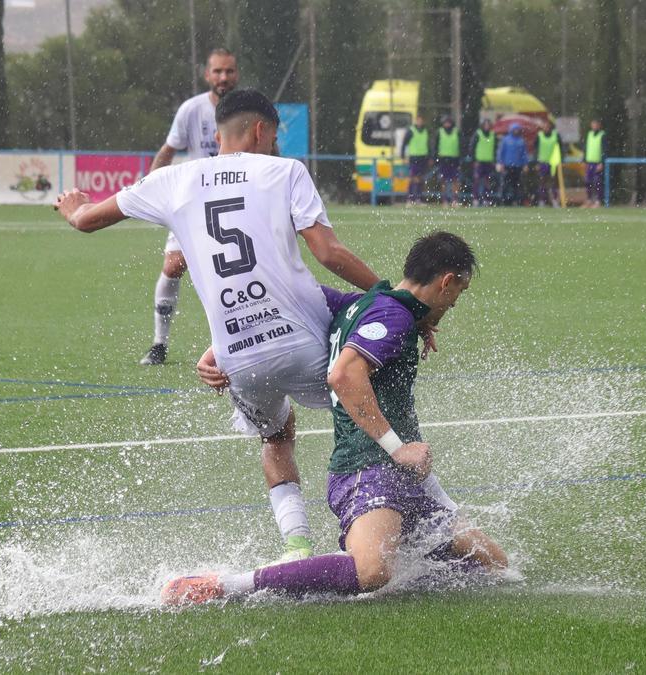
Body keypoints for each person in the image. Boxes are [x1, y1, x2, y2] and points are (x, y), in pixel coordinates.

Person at [54, 89, 381, 562]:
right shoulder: (285, 171)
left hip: (238, 359)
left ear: (216, 133)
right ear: (261, 131)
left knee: (276, 437)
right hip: (306, 342)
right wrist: (390, 294)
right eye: (273, 137)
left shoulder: (173, 180)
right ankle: (402, 518)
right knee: (369, 408)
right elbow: (328, 253)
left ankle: (296, 547)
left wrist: (73, 206)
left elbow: (85, 221)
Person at [160, 232, 508, 606]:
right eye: (460, 291)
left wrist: (222, 348)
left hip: (405, 478)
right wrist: (398, 448)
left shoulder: (361, 304)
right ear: (447, 281)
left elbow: (282, 305)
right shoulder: (392, 316)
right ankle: (225, 585)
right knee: (373, 570)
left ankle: (405, 549)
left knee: (493, 567)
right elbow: (343, 375)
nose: (455, 302)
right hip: (367, 469)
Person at [138, 48, 240, 366]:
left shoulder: (247, 108)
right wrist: (152, 189)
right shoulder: (191, 110)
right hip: (194, 201)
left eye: (229, 71)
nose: (223, 77)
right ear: (207, 74)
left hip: (237, 201)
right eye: (217, 71)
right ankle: (158, 344)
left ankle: (237, 342)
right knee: (172, 267)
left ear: (236, 74)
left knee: (234, 275)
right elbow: (168, 150)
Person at [401, 114, 431, 205]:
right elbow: (404, 143)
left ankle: (418, 199)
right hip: (414, 157)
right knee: (412, 178)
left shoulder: (426, 131)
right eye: (418, 120)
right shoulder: (411, 131)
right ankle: (409, 199)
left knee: (420, 179)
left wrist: (430, 157)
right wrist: (402, 155)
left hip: (423, 158)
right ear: (416, 121)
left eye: (421, 120)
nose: (420, 122)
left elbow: (429, 145)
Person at [497, 123, 529, 206]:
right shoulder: (506, 140)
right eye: (515, 129)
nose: (516, 131)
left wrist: (525, 164)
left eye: (517, 129)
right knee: (505, 184)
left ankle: (516, 201)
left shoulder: (521, 141)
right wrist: (500, 163)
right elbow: (501, 152)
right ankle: (503, 201)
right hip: (507, 165)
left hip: (518, 166)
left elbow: (524, 154)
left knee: (517, 185)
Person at [470, 119, 497, 206]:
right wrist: (474, 160)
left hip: (489, 162)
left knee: (488, 182)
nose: (487, 126)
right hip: (479, 162)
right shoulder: (478, 134)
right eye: (485, 125)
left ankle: (486, 198)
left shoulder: (493, 135)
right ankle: (475, 198)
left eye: (488, 125)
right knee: (477, 180)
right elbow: (472, 147)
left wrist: (495, 160)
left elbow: (495, 149)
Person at [436, 116, 462, 205]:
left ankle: (455, 199)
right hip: (443, 159)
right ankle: (444, 199)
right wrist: (435, 157)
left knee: (455, 180)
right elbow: (435, 145)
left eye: (448, 122)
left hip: (454, 159)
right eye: (445, 123)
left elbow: (461, 144)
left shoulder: (456, 132)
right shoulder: (439, 132)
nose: (447, 124)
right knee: (443, 180)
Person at [535, 120, 560, 207]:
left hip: (553, 163)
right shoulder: (539, 136)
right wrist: (536, 162)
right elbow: (536, 150)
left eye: (547, 126)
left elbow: (560, 148)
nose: (546, 128)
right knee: (542, 182)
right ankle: (542, 200)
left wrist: (560, 160)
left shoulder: (556, 135)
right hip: (542, 162)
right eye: (544, 126)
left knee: (553, 183)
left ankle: (554, 200)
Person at [584, 119, 605, 208]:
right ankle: (589, 200)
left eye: (596, 124)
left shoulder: (602, 135)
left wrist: (602, 162)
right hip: (589, 163)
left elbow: (604, 150)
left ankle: (598, 201)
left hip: (597, 163)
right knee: (588, 182)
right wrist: (584, 160)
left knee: (597, 182)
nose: (594, 126)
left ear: (599, 125)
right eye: (593, 124)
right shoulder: (589, 134)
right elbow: (586, 148)